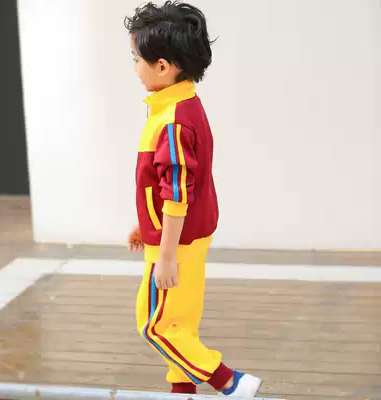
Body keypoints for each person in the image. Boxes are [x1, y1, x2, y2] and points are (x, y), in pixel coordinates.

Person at [125, 1, 262, 397]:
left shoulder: (171, 120)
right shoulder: (181, 106)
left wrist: (166, 254)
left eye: (137, 59)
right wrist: (145, 224)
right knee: (179, 323)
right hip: (186, 235)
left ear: (162, 66)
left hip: (177, 243)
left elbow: (176, 193)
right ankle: (183, 391)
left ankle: (229, 381)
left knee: (155, 325)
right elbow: (168, 185)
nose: (135, 68)